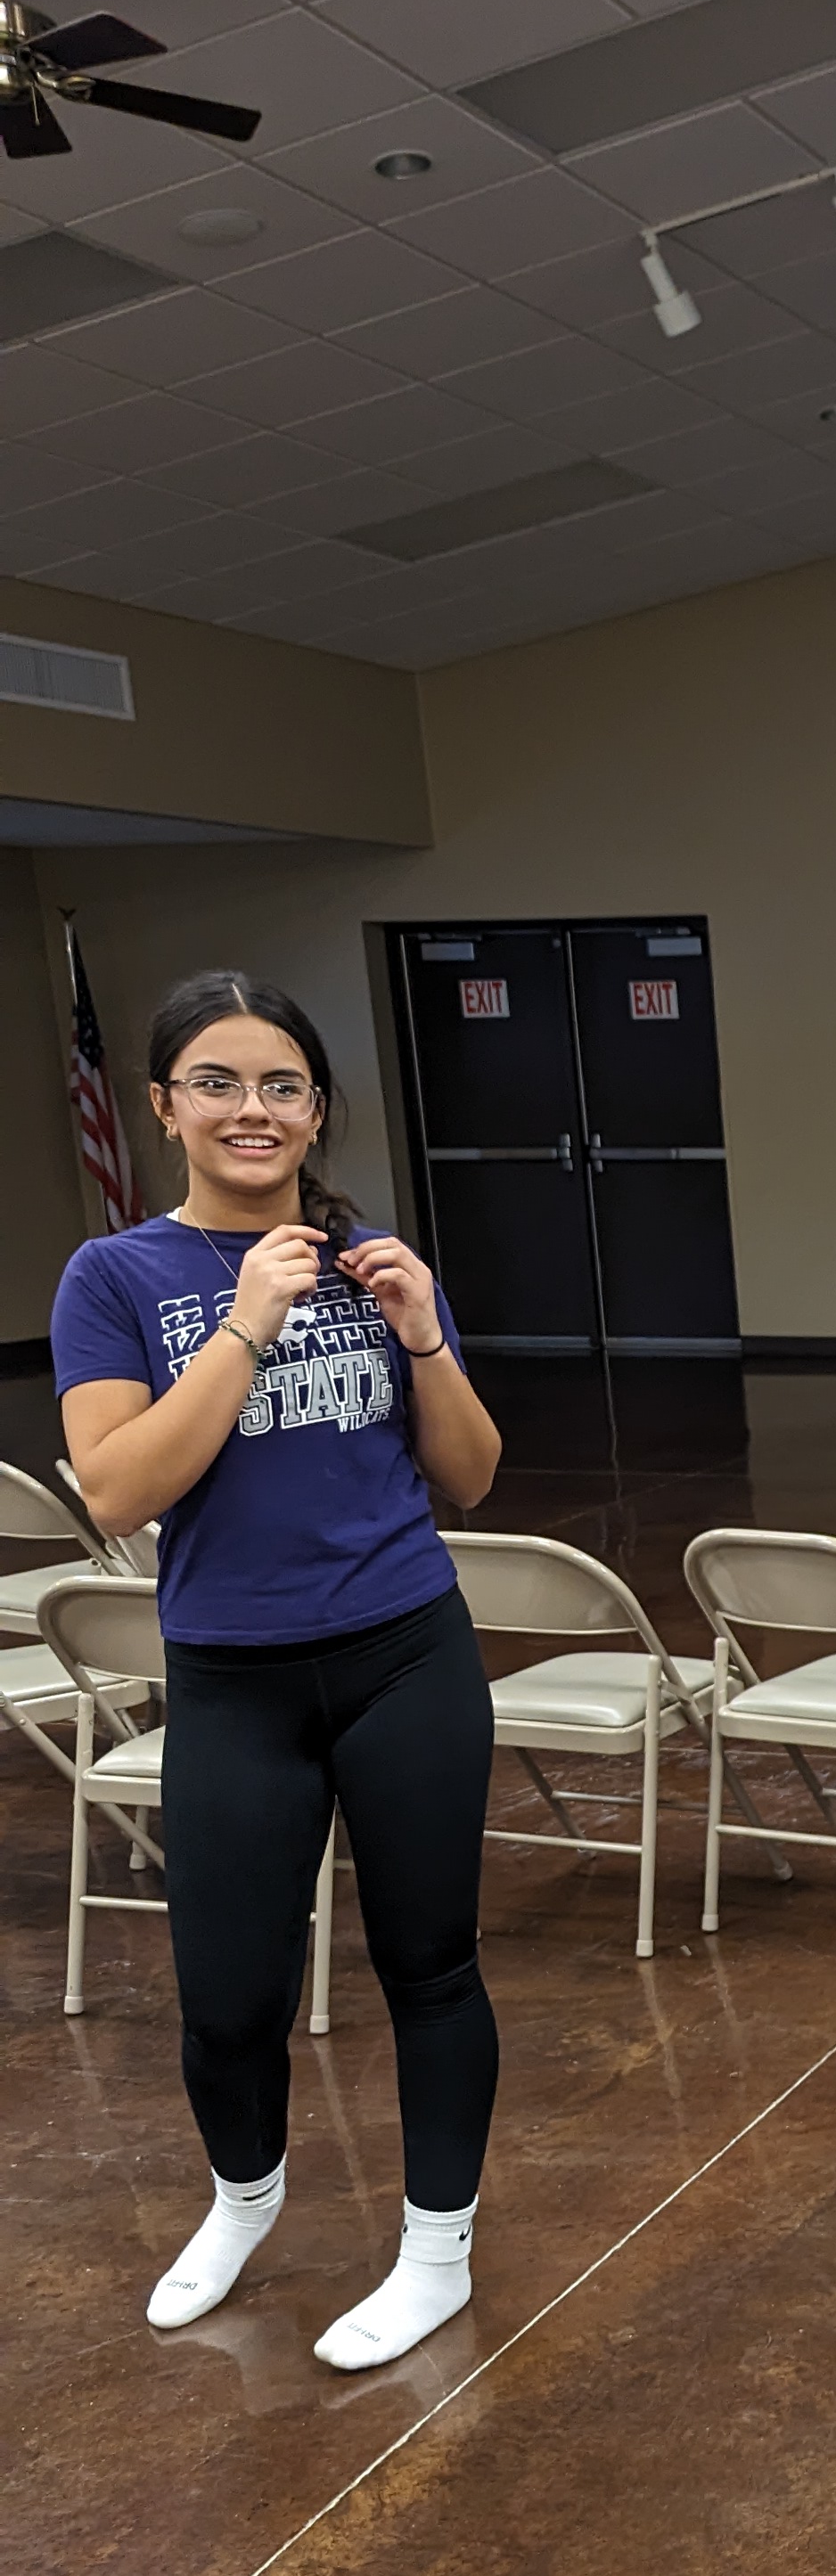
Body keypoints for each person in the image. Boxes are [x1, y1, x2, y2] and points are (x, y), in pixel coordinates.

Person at [54, 971, 506, 2375]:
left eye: (280, 1085)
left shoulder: (375, 1263)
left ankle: (438, 2252)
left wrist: (422, 1333)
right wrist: (246, 1321)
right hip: (234, 1682)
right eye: (218, 1083)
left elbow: (472, 1478)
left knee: (431, 1966)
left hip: (406, 1654)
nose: (251, 1109)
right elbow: (119, 1491)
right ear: (163, 1107)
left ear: (317, 1110)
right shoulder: (114, 1278)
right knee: (228, 1994)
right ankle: (243, 2203)